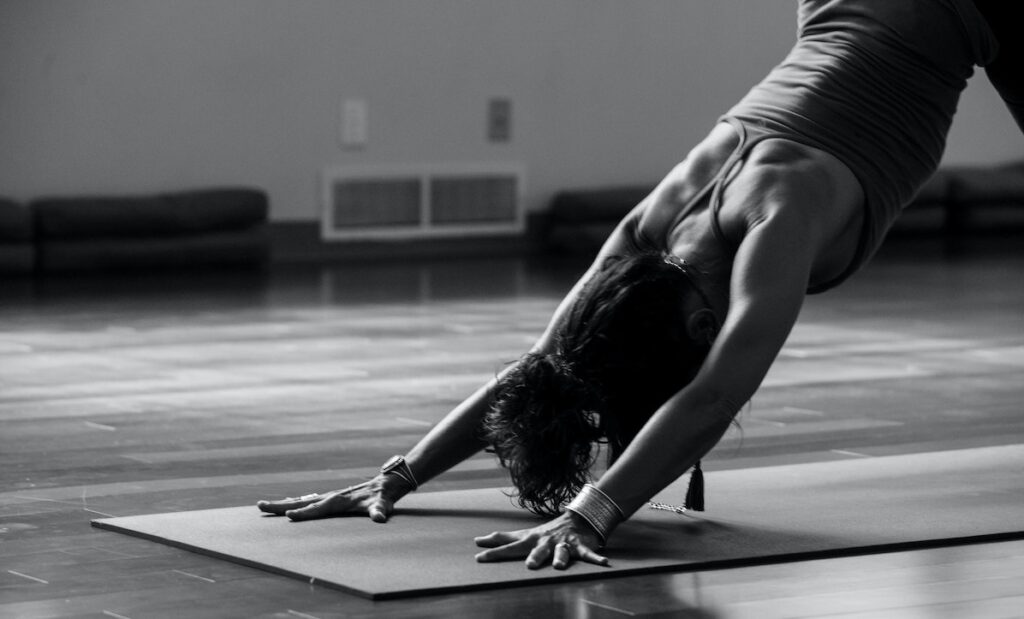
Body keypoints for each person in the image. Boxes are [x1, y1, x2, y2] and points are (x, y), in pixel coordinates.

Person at [258, 0, 1022, 570]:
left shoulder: (775, 219)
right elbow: (544, 366)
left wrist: (593, 515)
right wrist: (399, 473)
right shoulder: (643, 240)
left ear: (696, 329)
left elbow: (714, 396)